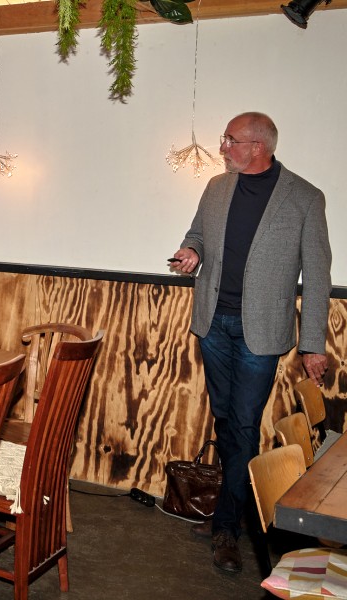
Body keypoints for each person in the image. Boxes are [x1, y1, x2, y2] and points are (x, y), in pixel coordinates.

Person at [171, 112, 331, 573]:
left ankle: (227, 529)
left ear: (258, 146)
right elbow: (197, 233)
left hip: (261, 334)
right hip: (214, 324)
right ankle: (230, 512)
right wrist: (192, 251)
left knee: (243, 426)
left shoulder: (304, 198)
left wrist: (313, 343)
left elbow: (318, 276)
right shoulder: (217, 189)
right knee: (226, 423)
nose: (223, 147)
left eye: (230, 140)